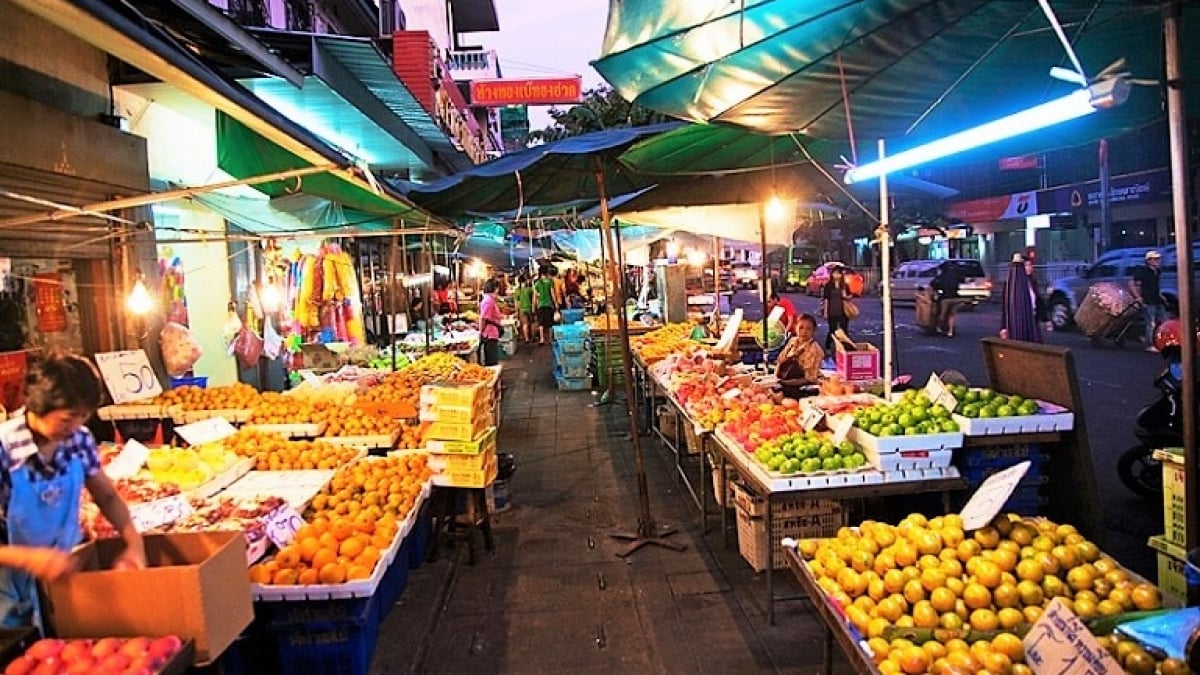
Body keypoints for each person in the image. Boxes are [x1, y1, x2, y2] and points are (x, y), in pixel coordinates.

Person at [0, 352, 145, 628]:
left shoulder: (78, 440)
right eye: (67, 419)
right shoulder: (5, 448)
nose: (76, 426)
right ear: (38, 406)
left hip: (67, 574)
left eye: (83, 417)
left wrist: (133, 544)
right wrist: (29, 558)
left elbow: (107, 496)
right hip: (10, 585)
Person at [775, 314, 825, 399]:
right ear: (795, 327)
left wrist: (786, 383)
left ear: (814, 331)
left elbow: (810, 378)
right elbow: (780, 360)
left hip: (803, 386)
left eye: (808, 329)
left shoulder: (815, 349)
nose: (804, 331)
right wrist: (778, 377)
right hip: (786, 380)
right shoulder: (792, 341)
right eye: (801, 327)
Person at [1000, 253, 1043, 343]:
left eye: (1030, 265)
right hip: (1016, 323)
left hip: (1031, 320)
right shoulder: (1010, 284)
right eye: (1026, 265)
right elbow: (1005, 307)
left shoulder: (1032, 282)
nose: (1030, 268)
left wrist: (1045, 318)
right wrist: (1003, 327)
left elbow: (1038, 301)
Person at [1130, 249, 1166, 352]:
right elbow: (1132, 284)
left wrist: (1161, 296)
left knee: (1163, 321)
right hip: (1148, 300)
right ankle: (1149, 344)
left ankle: (1161, 341)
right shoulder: (1143, 271)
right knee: (1151, 323)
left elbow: (1155, 285)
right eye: (1155, 259)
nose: (1158, 261)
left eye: (1158, 259)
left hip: (1157, 299)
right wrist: (1138, 297)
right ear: (1149, 260)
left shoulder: (1157, 271)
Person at [821, 265, 853, 351]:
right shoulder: (828, 285)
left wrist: (846, 296)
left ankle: (844, 348)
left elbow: (850, 296)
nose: (837, 276)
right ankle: (828, 346)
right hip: (832, 311)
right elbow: (826, 299)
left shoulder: (844, 285)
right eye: (835, 273)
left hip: (843, 311)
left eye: (838, 274)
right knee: (832, 330)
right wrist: (825, 312)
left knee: (844, 330)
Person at [930, 262, 963, 337]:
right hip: (956, 298)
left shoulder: (941, 277)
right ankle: (950, 331)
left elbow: (933, 285)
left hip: (945, 298)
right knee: (952, 315)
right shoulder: (955, 276)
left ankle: (938, 327)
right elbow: (962, 280)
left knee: (942, 315)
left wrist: (936, 293)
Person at [478, 279, 503, 366]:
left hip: (492, 333)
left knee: (492, 358)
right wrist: (481, 333)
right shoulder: (488, 301)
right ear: (495, 288)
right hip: (489, 334)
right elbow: (483, 318)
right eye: (497, 288)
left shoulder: (490, 299)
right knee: (491, 360)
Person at [532, 267, 557, 345]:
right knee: (549, 323)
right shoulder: (550, 282)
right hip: (549, 305)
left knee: (541, 323)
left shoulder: (537, 283)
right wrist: (555, 303)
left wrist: (533, 306)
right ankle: (550, 339)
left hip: (540, 306)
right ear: (547, 273)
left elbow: (535, 297)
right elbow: (552, 294)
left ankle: (542, 339)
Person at [513, 276, 534, 343]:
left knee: (525, 324)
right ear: (525, 281)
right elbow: (533, 299)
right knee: (531, 323)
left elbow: (516, 303)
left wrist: (516, 311)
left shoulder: (517, 291)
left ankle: (526, 338)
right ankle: (532, 337)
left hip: (522, 309)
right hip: (529, 308)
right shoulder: (529, 289)